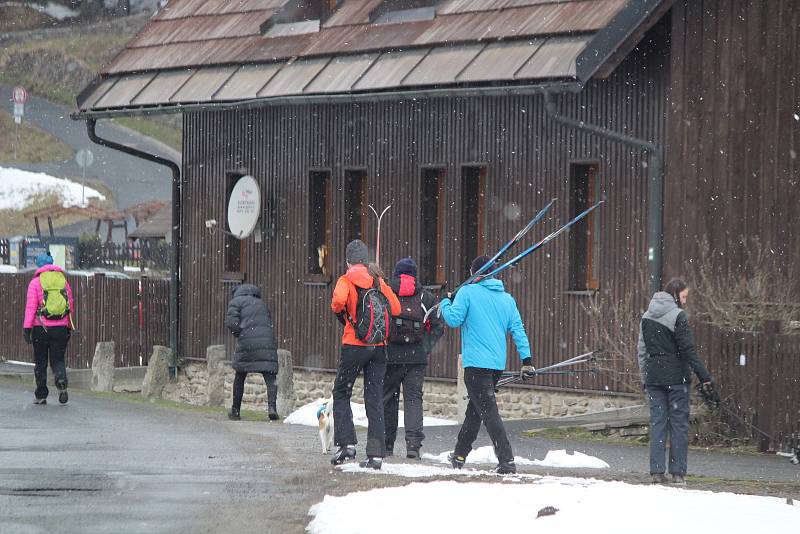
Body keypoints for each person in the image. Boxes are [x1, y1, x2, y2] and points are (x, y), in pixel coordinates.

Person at [439, 255, 532, 474]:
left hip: (475, 364)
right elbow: (518, 330)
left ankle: (507, 460)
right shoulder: (507, 299)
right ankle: (459, 456)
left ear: (474, 273)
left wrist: (445, 301)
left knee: (488, 412)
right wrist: (527, 360)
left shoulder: (467, 292)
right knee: (475, 411)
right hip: (496, 365)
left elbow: (453, 319)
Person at [330, 239, 401, 470]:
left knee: (342, 391)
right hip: (378, 345)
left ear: (348, 260)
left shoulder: (345, 279)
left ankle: (347, 444)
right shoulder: (378, 281)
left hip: (354, 343)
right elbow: (396, 308)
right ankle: (376, 454)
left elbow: (338, 301)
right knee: (374, 398)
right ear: (366, 259)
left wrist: (344, 313)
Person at [637, 277, 713, 485]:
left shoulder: (646, 316)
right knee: (679, 424)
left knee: (658, 423)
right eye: (684, 296)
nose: (685, 301)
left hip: (653, 378)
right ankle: (677, 472)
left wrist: (645, 377)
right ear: (675, 294)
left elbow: (642, 351)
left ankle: (656, 472)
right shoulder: (678, 316)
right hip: (677, 379)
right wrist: (704, 376)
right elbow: (687, 350)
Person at [383, 257, 444, 459]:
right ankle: (413, 446)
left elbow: (379, 322)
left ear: (396, 275)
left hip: (390, 356)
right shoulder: (426, 298)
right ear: (415, 276)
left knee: (388, 400)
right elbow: (437, 327)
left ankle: (387, 444)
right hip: (416, 358)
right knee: (413, 400)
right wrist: (424, 348)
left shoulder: (387, 294)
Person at [23, 252, 74, 405]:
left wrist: (27, 328)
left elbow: (31, 307)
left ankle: (41, 394)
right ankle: (61, 381)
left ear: (39, 265)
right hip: (61, 327)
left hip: (41, 328)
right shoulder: (62, 281)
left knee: (40, 362)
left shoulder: (35, 283)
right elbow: (69, 304)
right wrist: (69, 325)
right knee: (58, 359)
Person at [225, 283, 280, 421]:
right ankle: (272, 408)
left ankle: (235, 411)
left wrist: (240, 334)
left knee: (240, 375)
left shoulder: (236, 302)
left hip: (247, 342)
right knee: (270, 377)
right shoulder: (261, 303)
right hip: (267, 342)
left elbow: (231, 323)